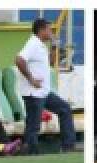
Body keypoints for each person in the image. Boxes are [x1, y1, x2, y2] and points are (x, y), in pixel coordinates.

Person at [14, 18, 76, 155]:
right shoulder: (33, 44)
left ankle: (68, 146)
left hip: (44, 92)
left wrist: (54, 46)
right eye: (49, 30)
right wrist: (31, 79)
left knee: (64, 108)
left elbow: (49, 62)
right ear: (41, 30)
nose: (51, 32)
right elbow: (19, 60)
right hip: (33, 93)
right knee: (33, 126)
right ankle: (32, 153)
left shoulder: (41, 45)